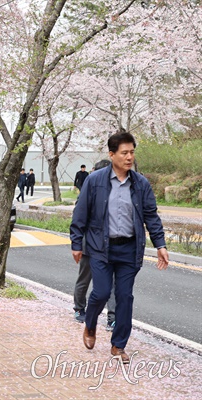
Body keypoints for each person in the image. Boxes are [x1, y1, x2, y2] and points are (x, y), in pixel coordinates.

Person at [70, 129, 169, 364]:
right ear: (112, 154)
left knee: (124, 296)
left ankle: (118, 345)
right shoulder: (95, 181)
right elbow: (80, 213)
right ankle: (90, 324)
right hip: (100, 248)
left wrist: (160, 244)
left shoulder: (140, 183)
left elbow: (151, 216)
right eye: (124, 153)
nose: (129, 157)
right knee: (101, 292)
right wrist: (76, 243)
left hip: (129, 249)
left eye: (132, 152)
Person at [72, 159, 116, 331]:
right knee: (85, 278)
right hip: (90, 245)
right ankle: (79, 308)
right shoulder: (88, 191)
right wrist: (77, 244)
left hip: (110, 246)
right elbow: (78, 218)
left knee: (112, 284)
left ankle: (112, 317)